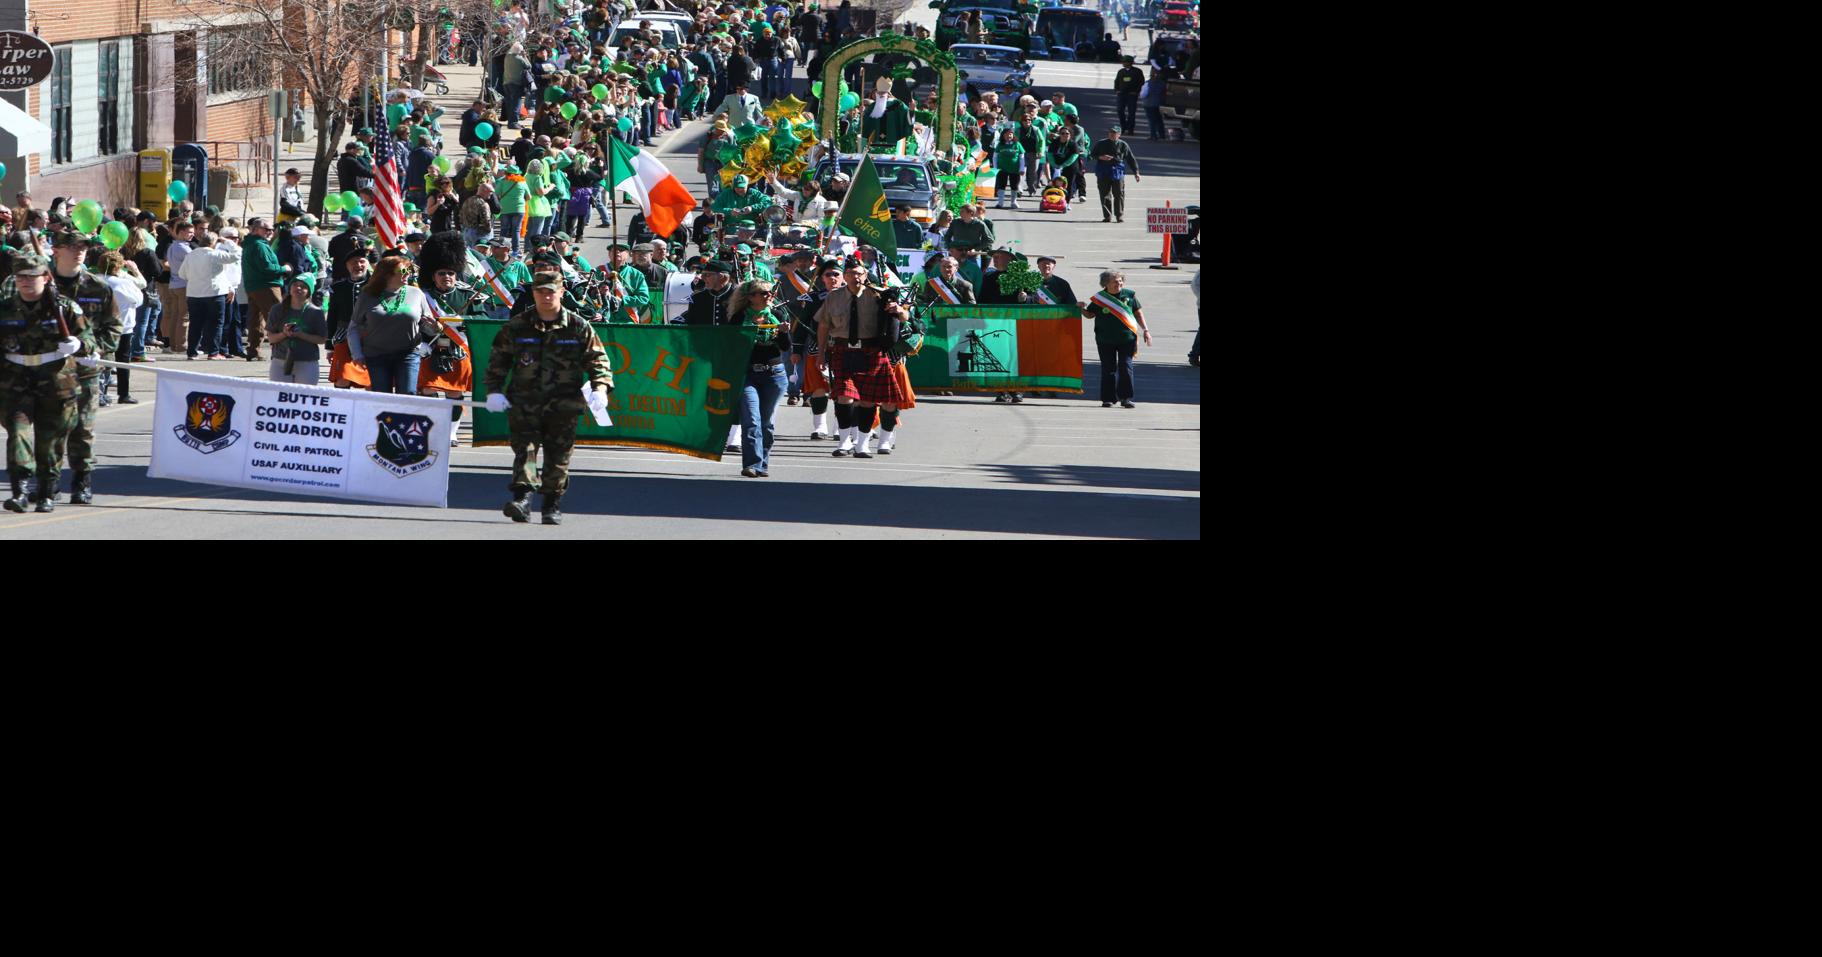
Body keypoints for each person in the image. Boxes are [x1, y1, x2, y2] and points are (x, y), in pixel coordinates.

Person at [483, 271, 612, 525]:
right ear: (533, 293)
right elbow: (498, 360)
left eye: (551, 290)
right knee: (525, 451)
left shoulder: (577, 326)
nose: (546, 295)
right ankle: (522, 499)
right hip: (524, 403)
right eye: (541, 291)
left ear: (561, 292)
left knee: (558, 455)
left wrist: (601, 388)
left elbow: (598, 360)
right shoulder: (517, 326)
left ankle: (551, 504)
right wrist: (494, 391)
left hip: (564, 404)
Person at [1, 253, 89, 513]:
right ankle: (19, 490)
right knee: (18, 434)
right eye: (20, 277)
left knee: (49, 443)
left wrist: (78, 344)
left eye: (31, 276)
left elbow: (91, 341)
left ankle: (46, 493)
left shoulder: (65, 308)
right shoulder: (5, 307)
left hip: (56, 383)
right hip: (15, 382)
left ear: (46, 277)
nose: (25, 282)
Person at [46, 231, 123, 504]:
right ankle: (49, 483)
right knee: (52, 428)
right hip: (50, 369)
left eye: (83, 247)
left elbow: (114, 327)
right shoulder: (43, 284)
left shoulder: (97, 286)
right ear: (56, 250)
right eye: (72, 246)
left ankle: (82, 483)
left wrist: (96, 349)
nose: (79, 251)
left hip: (85, 369)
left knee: (83, 429)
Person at [812, 258, 907, 458]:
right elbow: (823, 325)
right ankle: (844, 441)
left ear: (865, 276)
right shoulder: (833, 297)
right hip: (842, 351)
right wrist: (820, 353)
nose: (855, 277)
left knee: (868, 401)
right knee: (844, 397)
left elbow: (903, 317)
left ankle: (862, 444)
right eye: (851, 274)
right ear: (844, 276)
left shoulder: (878, 295)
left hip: (870, 352)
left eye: (859, 273)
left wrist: (899, 311)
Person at [725, 278, 792, 477]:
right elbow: (731, 346)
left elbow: (785, 347)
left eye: (769, 293)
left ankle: (763, 463)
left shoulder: (777, 315)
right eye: (762, 293)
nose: (767, 296)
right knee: (751, 420)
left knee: (766, 422)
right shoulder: (738, 318)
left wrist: (783, 333)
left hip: (774, 374)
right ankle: (752, 464)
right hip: (748, 374)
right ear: (750, 297)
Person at [348, 256, 437, 395]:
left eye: (409, 270)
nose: (408, 274)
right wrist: (357, 355)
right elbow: (354, 327)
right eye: (403, 271)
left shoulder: (417, 293)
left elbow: (430, 328)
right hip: (376, 355)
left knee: (408, 396)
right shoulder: (367, 294)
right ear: (386, 274)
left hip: (408, 353)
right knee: (382, 398)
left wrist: (436, 327)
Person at [1083, 269, 1152, 408]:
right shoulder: (1100, 298)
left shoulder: (1129, 295)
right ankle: (1108, 399)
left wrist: (1146, 330)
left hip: (1127, 338)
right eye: (1115, 282)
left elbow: (1138, 313)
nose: (1118, 284)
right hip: (1104, 339)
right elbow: (1090, 315)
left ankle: (1126, 398)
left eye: (1120, 281)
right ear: (1105, 284)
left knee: (1126, 367)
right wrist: (1080, 309)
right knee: (1108, 369)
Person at [97, 250, 146, 405]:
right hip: (123, 328)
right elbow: (138, 300)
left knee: (102, 361)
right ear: (118, 267)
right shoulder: (124, 283)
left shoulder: (95, 281)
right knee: (123, 361)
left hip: (100, 327)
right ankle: (123, 394)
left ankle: (101, 392)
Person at [240, 217, 287, 362]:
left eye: (272, 230)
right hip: (267, 285)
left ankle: (253, 350)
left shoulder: (250, 244)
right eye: (266, 229)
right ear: (255, 229)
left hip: (253, 286)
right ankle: (280, 350)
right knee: (277, 318)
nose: (270, 232)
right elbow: (267, 268)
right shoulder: (259, 246)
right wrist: (283, 269)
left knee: (255, 320)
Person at [266, 276, 328, 384]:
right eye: (295, 285)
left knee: (305, 398)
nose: (298, 288)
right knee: (279, 398)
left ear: (309, 292)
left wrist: (301, 334)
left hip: (307, 361)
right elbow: (271, 338)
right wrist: (284, 334)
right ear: (289, 288)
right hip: (280, 360)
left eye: (303, 287)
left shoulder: (316, 312)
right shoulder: (277, 309)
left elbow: (322, 339)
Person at [1091, 126, 1143, 224]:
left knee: (1119, 194)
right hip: (1103, 170)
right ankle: (1107, 216)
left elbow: (1130, 159)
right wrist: (1101, 157)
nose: (1112, 134)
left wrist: (1136, 172)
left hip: (1117, 171)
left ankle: (1119, 216)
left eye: (1114, 133)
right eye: (1110, 132)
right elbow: (1091, 155)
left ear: (1119, 135)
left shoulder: (1123, 145)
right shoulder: (1101, 143)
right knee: (1104, 194)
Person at [161, 220, 194, 354]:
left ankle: (174, 344)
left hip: (174, 284)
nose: (192, 235)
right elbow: (193, 266)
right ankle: (181, 345)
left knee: (176, 315)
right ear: (181, 232)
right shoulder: (184, 248)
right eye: (189, 232)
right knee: (184, 316)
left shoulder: (173, 246)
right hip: (183, 285)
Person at [993, 128, 1026, 210]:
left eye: (1010, 134)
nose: (1009, 136)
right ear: (1003, 135)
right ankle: (1000, 202)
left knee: (1014, 186)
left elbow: (1022, 157)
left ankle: (1013, 202)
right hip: (1002, 169)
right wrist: (995, 167)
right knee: (1001, 185)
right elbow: (995, 157)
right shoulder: (1000, 145)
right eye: (1006, 134)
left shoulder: (1017, 144)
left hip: (1015, 169)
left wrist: (1022, 168)